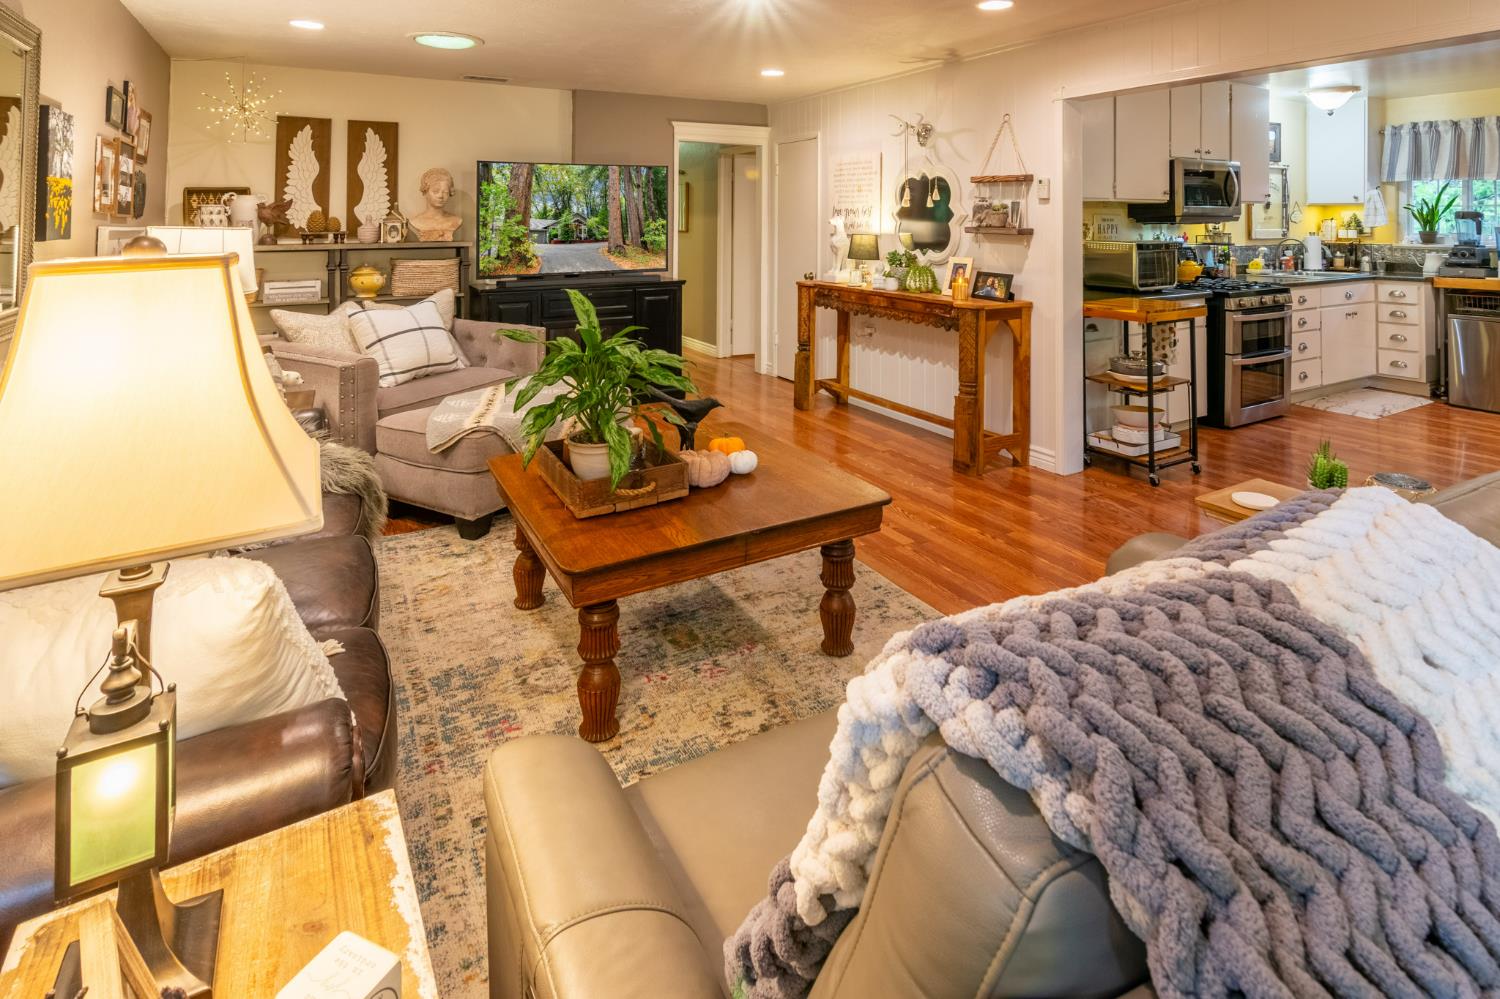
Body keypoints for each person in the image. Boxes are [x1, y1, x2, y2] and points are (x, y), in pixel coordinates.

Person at [409, 167, 463, 242]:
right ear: (425, 192)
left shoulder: (456, 221)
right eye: (435, 191)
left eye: (445, 192)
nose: (440, 196)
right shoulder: (416, 222)